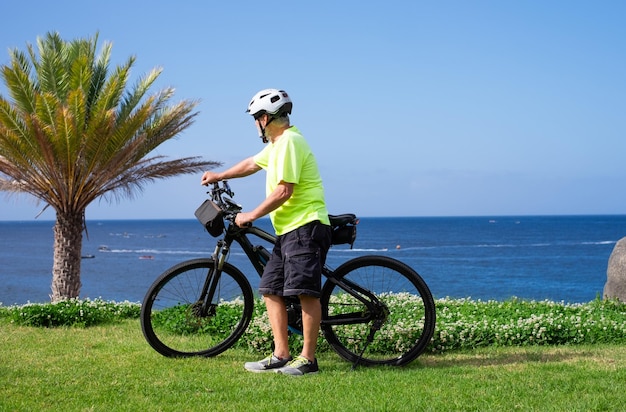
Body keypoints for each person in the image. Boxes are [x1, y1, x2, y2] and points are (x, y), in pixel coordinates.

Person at [201, 89, 332, 376]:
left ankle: (308, 360)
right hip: (288, 229)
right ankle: (281, 354)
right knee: (271, 289)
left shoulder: (290, 142)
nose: (254, 125)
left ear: (264, 118)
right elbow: (251, 163)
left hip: (305, 225)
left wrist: (251, 215)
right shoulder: (275, 145)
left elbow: (285, 190)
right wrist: (219, 175)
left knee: (305, 293)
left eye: (254, 119)